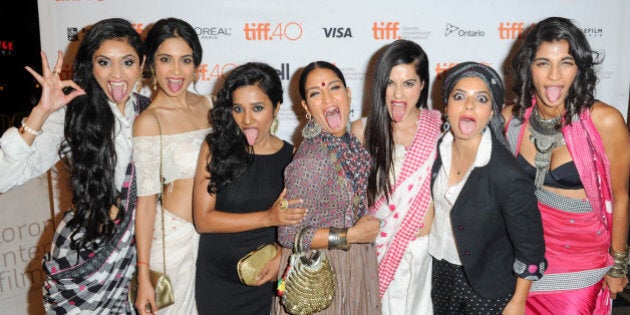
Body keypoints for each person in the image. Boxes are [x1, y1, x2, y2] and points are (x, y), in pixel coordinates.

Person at [0, 18, 149, 313]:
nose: (116, 74)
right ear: (90, 66)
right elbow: (4, 177)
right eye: (104, 62)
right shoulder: (72, 115)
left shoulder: (153, 114)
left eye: (127, 62)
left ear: (143, 64)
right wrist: (41, 113)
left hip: (138, 262)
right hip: (84, 263)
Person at [503, 16, 630, 314]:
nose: (554, 76)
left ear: (579, 68)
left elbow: (621, 197)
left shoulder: (605, 121)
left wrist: (618, 264)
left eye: (566, 63)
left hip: (581, 263)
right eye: (543, 62)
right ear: (528, 66)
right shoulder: (510, 119)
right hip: (521, 261)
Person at [429, 62, 547, 314]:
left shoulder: (507, 174)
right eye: (459, 96)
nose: (469, 105)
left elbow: (531, 247)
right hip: (440, 273)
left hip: (488, 287)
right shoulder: (435, 152)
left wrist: (518, 302)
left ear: (492, 111)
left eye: (481, 99)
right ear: (446, 105)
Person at [193, 62, 306, 315]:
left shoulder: (293, 157)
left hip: (265, 282)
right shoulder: (214, 149)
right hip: (216, 283)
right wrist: (268, 217)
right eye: (238, 109)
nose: (246, 119)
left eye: (257, 108)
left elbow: (298, 224)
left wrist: (281, 257)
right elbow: (203, 220)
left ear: (276, 108)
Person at [273, 61, 381, 314]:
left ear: (347, 93)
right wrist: (350, 235)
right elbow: (288, 235)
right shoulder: (312, 158)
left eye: (334, 88)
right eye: (315, 93)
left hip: (354, 265)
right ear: (306, 108)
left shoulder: (350, 144)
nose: (327, 98)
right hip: (323, 273)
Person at [351, 39, 442, 314]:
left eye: (409, 83)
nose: (398, 94)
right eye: (390, 83)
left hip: (426, 256)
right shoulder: (362, 131)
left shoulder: (439, 129)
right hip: (377, 254)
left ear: (423, 84)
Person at [132, 18, 212, 314]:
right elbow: (146, 202)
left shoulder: (210, 105)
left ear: (196, 65)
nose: (176, 71)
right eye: (166, 59)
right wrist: (143, 275)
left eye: (185, 60)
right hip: (172, 242)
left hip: (215, 235)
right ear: (151, 63)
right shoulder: (148, 123)